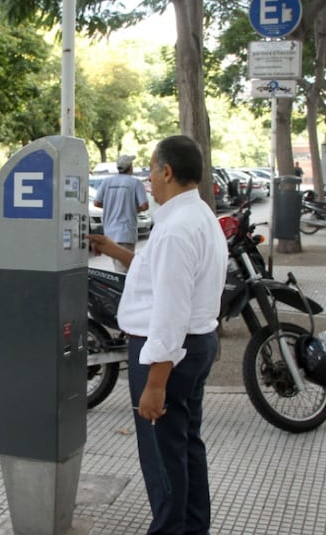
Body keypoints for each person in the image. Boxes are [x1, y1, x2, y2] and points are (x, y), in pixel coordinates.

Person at [89, 135, 227, 535]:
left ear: (167, 171)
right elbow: (162, 278)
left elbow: (170, 312)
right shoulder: (198, 217)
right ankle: (193, 528)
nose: (148, 178)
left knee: (162, 456)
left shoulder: (175, 230)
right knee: (186, 447)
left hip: (169, 352)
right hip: (197, 345)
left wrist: (155, 382)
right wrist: (116, 251)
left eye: (151, 169)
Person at [94, 154, 149, 272]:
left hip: (109, 233)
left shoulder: (106, 182)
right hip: (126, 232)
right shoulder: (135, 183)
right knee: (124, 271)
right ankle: (122, 291)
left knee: (118, 267)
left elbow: (96, 202)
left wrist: (110, 206)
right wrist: (132, 208)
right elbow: (144, 205)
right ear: (130, 167)